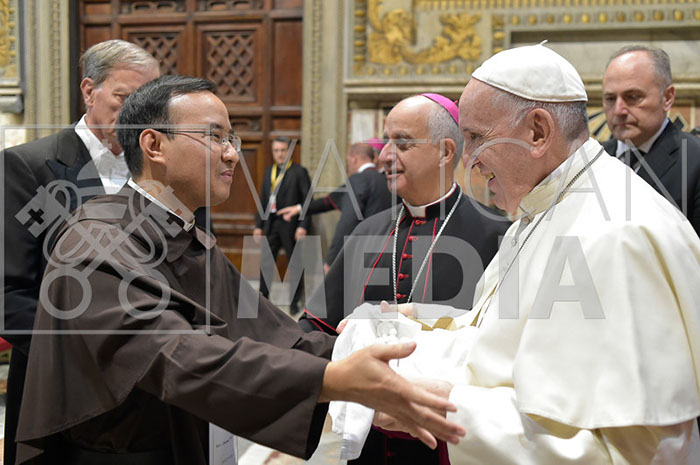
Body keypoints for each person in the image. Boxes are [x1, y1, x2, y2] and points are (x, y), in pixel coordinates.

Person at [14, 75, 466, 465]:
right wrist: (334, 381)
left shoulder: (186, 234)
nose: (232, 155)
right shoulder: (96, 238)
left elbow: (275, 334)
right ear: (154, 145)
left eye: (231, 140)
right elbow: (176, 356)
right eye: (215, 137)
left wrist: (367, 359)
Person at [371, 43, 700, 463]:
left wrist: (443, 409)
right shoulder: (544, 207)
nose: (468, 161)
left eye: (476, 138)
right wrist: (417, 324)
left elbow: (632, 452)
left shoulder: (619, 235)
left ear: (538, 132)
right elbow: (503, 338)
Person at [300, 93, 510, 465]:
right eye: (386, 142)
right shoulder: (367, 231)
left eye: (402, 143)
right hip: (370, 448)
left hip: (451, 445)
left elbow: (504, 346)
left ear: (445, 152)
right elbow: (317, 326)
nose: (384, 155)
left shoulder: (496, 235)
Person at [1, 39, 160, 465]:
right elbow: (8, 294)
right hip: (59, 392)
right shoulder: (27, 167)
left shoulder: (164, 170)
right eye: (125, 98)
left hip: (150, 395)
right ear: (89, 91)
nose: (138, 115)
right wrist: (92, 357)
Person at [602, 45, 700, 235]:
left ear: (667, 98)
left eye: (633, 97)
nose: (619, 110)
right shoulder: (591, 158)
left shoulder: (694, 160)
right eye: (610, 99)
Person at [278, 142, 392, 271]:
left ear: (354, 159)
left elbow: (347, 221)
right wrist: (299, 208)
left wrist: (332, 260)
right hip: (386, 250)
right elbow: (329, 200)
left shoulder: (357, 180)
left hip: (363, 253)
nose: (348, 166)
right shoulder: (386, 180)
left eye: (347, 161)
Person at [253, 136, 311, 314]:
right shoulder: (269, 171)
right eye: (276, 151)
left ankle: (294, 302)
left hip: (291, 226)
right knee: (266, 262)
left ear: (289, 151)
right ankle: (263, 298)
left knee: (295, 263)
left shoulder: (299, 172)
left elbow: (308, 201)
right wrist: (258, 225)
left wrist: (303, 225)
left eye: (283, 150)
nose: (279, 154)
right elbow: (263, 199)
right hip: (271, 224)